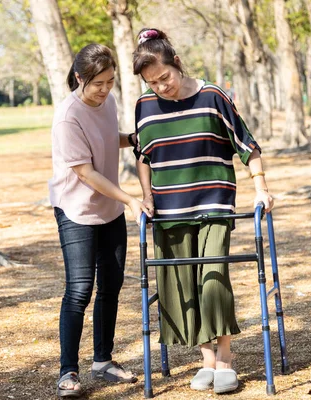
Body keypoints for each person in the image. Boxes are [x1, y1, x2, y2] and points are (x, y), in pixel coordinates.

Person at [131, 28, 274, 394]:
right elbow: (143, 156)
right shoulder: (144, 107)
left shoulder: (213, 96)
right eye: (153, 83)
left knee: (212, 280)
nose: (161, 87)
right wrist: (146, 196)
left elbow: (247, 145)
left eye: (165, 77)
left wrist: (261, 187)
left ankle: (225, 359)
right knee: (181, 287)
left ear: (177, 63)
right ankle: (206, 360)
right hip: (168, 210)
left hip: (213, 205)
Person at [48, 43, 152, 398]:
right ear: (80, 78)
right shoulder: (67, 117)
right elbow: (86, 172)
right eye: (98, 83)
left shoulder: (107, 103)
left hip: (109, 208)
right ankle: (68, 372)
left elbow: (108, 139)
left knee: (111, 283)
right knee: (80, 289)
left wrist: (134, 139)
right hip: (76, 210)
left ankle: (103, 361)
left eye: (110, 81)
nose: (106, 89)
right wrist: (130, 199)